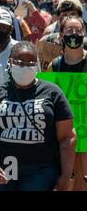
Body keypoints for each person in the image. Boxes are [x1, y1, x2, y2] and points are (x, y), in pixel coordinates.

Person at [0, 41, 76, 191]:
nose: (25, 66)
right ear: (10, 62)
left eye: (31, 63)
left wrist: (66, 175)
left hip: (41, 169)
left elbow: (67, 137)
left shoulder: (52, 92)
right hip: (5, 168)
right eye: (20, 62)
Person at [46, 16, 87, 191]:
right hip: (64, 137)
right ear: (61, 35)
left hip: (86, 137)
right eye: (69, 30)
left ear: (84, 33)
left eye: (78, 30)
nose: (74, 34)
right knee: (65, 183)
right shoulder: (54, 66)